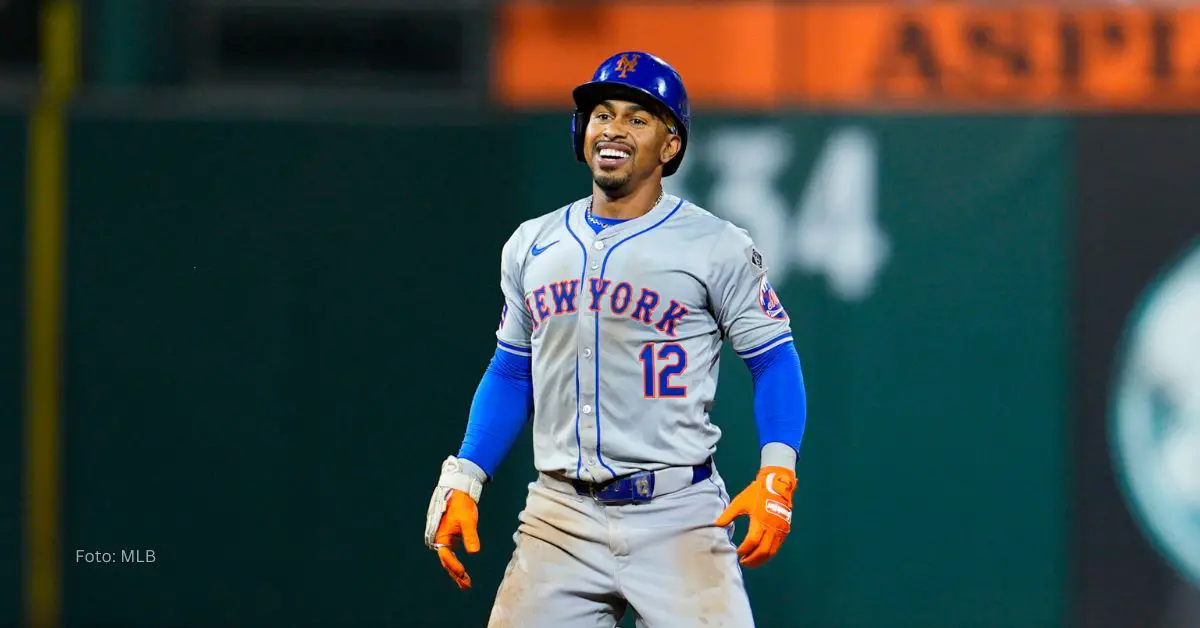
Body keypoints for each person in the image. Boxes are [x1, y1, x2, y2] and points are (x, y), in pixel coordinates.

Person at [423, 51, 809, 628]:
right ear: (582, 133)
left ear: (670, 144)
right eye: (602, 114)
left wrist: (776, 471)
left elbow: (774, 360)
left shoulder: (716, 245)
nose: (614, 129)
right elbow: (510, 370)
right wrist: (466, 474)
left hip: (679, 512)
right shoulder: (532, 243)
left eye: (637, 118)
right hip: (559, 516)